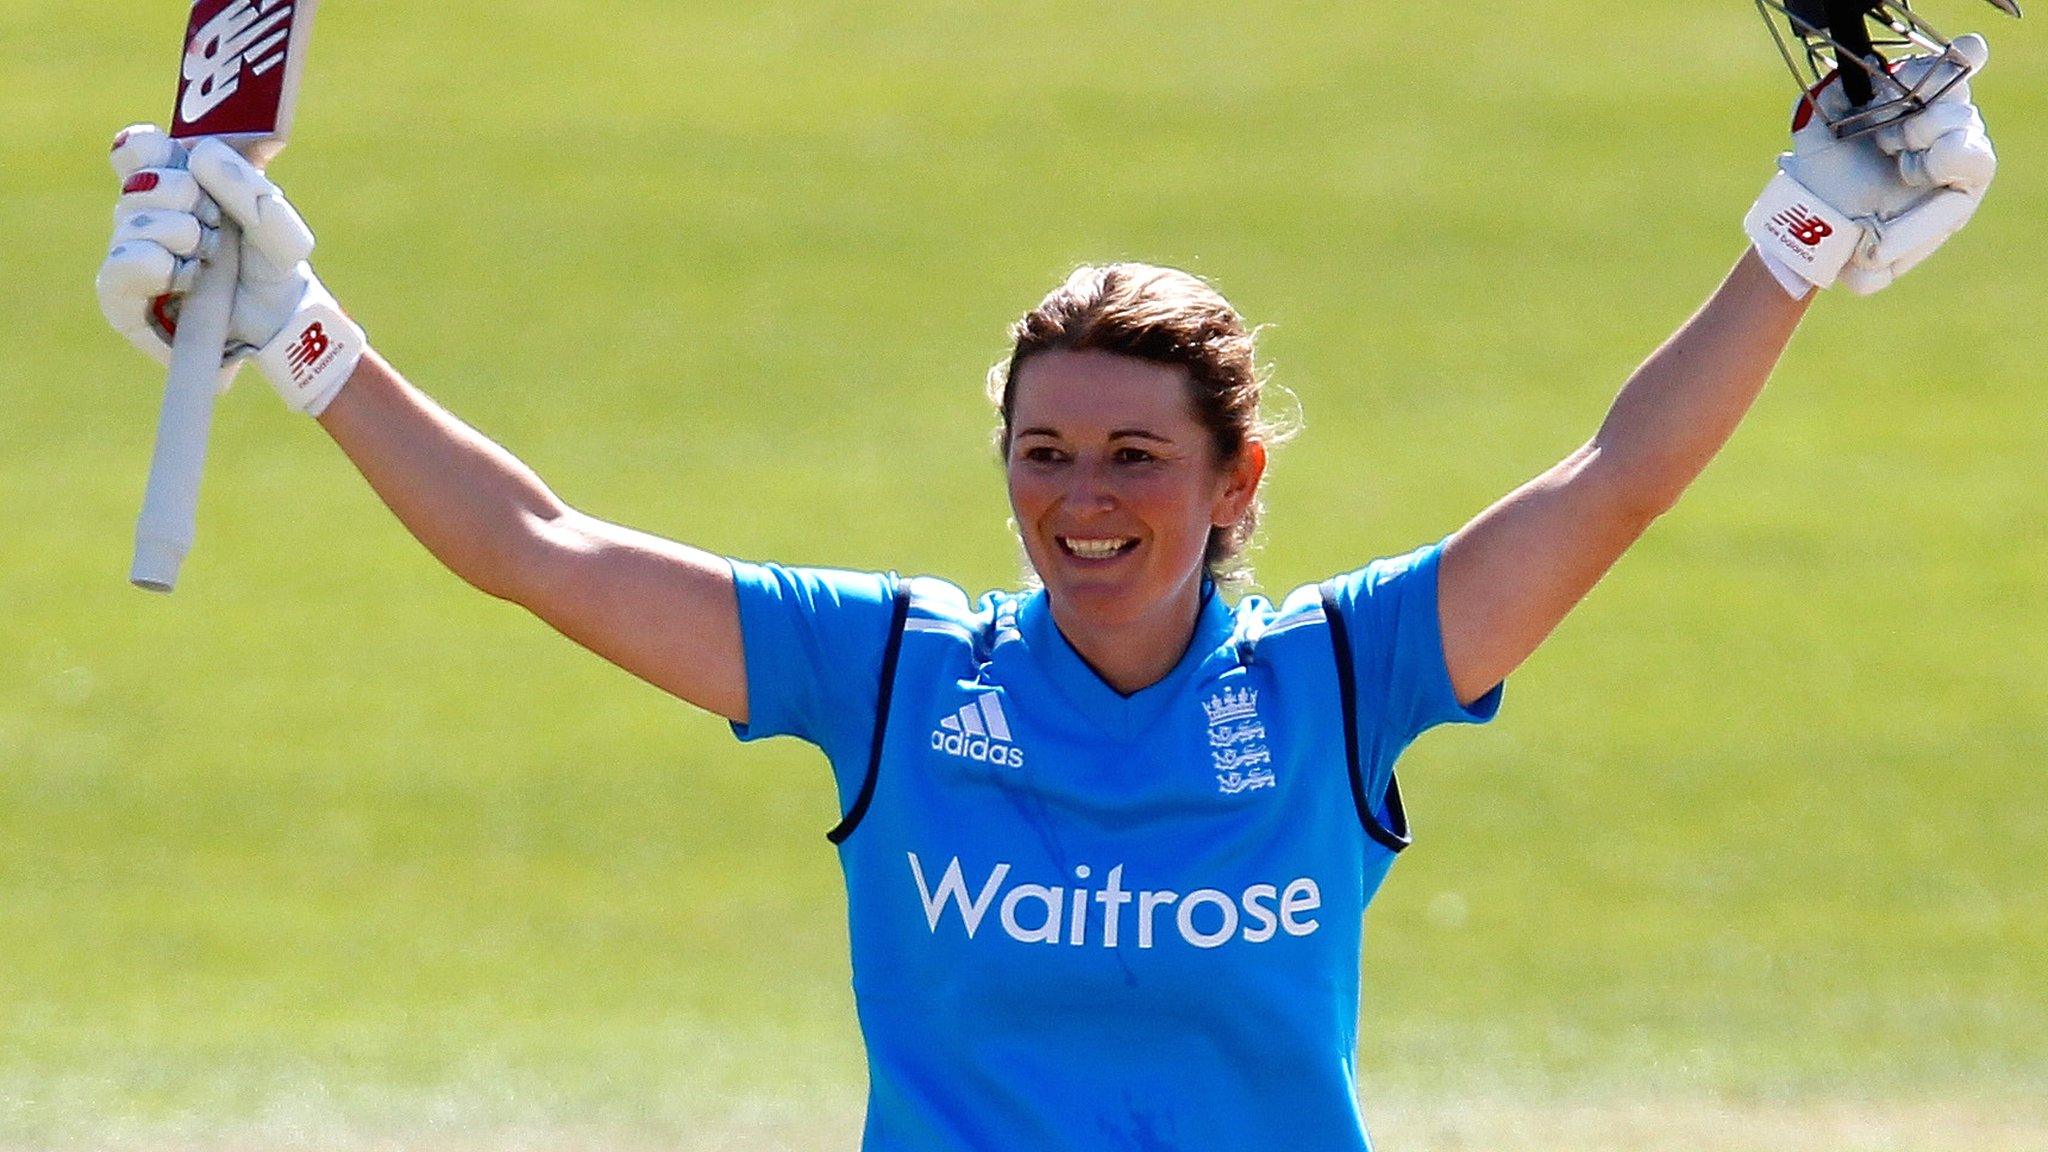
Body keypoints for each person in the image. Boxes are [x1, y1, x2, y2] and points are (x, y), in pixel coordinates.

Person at [94, 40, 1998, 1152]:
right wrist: (304, 339)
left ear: (1238, 479)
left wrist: (1799, 234)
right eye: (1045, 454)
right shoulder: (894, 676)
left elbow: (1614, 481)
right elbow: (541, 551)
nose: (1081, 502)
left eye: (1132, 460)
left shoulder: (1348, 681)